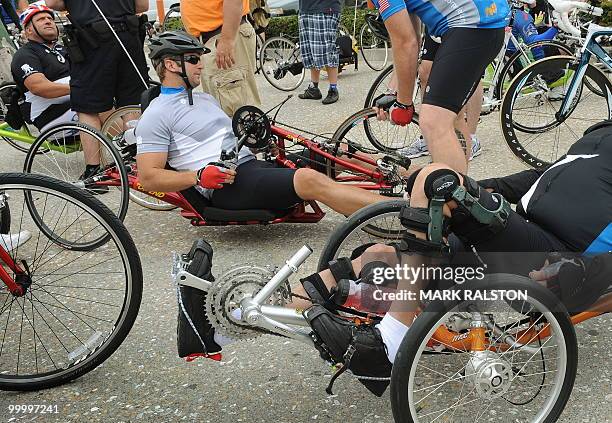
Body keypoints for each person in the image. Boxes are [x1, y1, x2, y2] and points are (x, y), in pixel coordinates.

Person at [135, 31, 388, 217]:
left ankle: (415, 182)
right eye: (193, 59)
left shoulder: (204, 98)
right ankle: (405, 215)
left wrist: (261, 146)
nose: (201, 64)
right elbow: (148, 177)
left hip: (251, 166)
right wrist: (198, 176)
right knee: (310, 180)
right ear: (170, 65)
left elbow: (230, 138)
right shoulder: (156, 115)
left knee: (337, 152)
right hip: (227, 185)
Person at [371, 0, 510, 174]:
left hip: (472, 25)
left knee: (433, 122)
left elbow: (406, 43)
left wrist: (404, 104)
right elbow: (412, 38)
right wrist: (395, 93)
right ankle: (459, 188)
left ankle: (453, 197)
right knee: (453, 116)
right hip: (481, 23)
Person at [46, 0, 148, 181]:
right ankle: (137, 164)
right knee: (131, 103)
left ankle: (94, 172)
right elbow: (142, 6)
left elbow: (53, 3)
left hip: (92, 39)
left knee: (87, 107)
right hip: (129, 36)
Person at [180, 0, 261, 117]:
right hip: (214, 39)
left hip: (222, 35)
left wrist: (227, 39)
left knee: (238, 113)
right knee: (226, 109)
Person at [296, 0, 341, 105]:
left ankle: (333, 89)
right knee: (310, 49)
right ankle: (313, 88)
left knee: (327, 49)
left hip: (325, 8)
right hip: (306, 9)